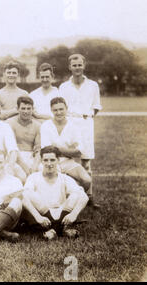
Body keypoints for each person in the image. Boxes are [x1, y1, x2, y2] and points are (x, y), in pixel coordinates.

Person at [59, 54, 102, 207]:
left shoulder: (93, 85)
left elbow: (96, 106)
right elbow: (60, 107)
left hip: (85, 124)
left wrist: (86, 118)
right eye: (74, 65)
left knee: (85, 162)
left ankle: (89, 196)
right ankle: (66, 194)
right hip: (69, 123)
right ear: (69, 67)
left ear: (84, 65)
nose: (77, 68)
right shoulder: (64, 87)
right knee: (66, 160)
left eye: (79, 65)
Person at [22, 146, 89, 240]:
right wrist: (38, 217)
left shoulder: (64, 178)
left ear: (58, 160)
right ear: (41, 161)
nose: (49, 164)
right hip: (43, 216)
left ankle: (52, 230)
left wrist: (73, 214)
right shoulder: (34, 177)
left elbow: (84, 197)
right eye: (46, 160)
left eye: (52, 160)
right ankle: (62, 230)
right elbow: (24, 197)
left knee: (77, 193)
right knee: (27, 193)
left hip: (61, 213)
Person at [40, 97, 92, 193]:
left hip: (68, 162)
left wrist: (56, 148)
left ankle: (75, 195)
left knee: (87, 180)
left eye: (61, 109)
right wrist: (70, 149)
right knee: (55, 184)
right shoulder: (46, 125)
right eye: (55, 110)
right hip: (50, 162)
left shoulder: (74, 126)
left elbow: (79, 152)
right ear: (51, 110)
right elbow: (47, 151)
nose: (59, 112)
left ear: (66, 109)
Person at [6, 96, 42, 177]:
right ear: (17, 109)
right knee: (20, 174)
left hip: (30, 156)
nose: (26, 111)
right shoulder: (9, 123)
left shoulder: (37, 125)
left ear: (33, 109)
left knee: (40, 170)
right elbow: (11, 148)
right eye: (23, 108)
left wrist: (35, 166)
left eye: (29, 108)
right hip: (14, 158)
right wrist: (24, 166)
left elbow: (38, 149)